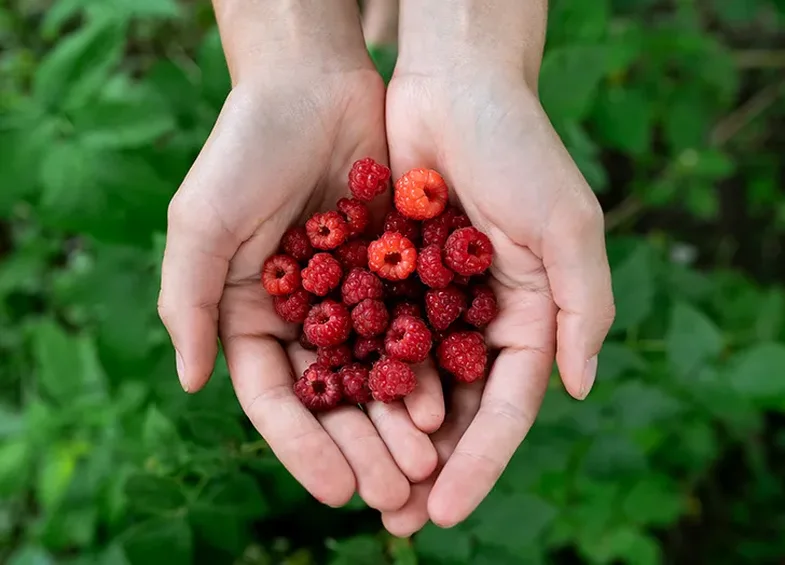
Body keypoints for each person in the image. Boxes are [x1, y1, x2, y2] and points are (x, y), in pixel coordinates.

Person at [156, 0, 616, 537]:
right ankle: (382, 22)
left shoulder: (419, 281)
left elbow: (406, 301)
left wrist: (473, 60)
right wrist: (289, 64)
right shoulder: (355, 290)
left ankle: (388, 21)